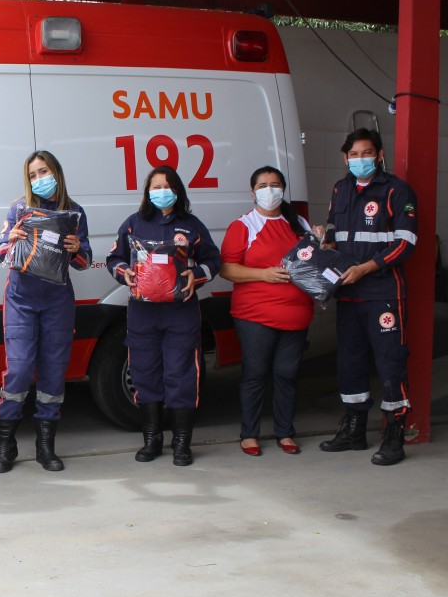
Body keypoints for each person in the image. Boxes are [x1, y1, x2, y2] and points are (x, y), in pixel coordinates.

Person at [105, 165, 220, 466]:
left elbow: (213, 259)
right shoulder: (133, 224)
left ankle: (182, 443)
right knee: (145, 375)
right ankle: (151, 439)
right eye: (155, 187)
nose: (161, 192)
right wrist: (124, 272)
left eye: (167, 186)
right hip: (143, 314)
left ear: (178, 191)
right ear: (147, 192)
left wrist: (197, 274)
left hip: (180, 313)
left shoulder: (191, 225)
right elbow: (114, 258)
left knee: (181, 376)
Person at [317, 128, 417, 466]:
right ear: (345, 157)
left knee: (390, 364)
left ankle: (394, 434)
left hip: (382, 293)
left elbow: (404, 243)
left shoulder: (396, 190)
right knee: (350, 363)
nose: (360, 159)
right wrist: (324, 242)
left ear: (379, 154)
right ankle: (355, 429)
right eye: (354, 154)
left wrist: (366, 268)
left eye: (366, 152)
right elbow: (335, 231)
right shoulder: (340, 188)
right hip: (348, 294)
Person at [0, 151, 91, 473]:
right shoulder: (19, 208)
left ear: (56, 173)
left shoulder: (74, 212)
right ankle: (6, 447)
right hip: (21, 299)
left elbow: (86, 261)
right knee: (18, 371)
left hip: (57, 302)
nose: (39, 179)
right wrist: (12, 239)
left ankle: (45, 447)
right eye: (33, 175)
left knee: (53, 373)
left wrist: (77, 250)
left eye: (43, 171)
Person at [220, 166, 313, 457]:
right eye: (263, 184)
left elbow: (315, 261)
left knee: (287, 374)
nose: (269, 189)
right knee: (256, 373)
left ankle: (285, 432)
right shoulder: (244, 225)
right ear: (253, 191)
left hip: (296, 314)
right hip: (255, 315)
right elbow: (227, 269)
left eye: (275, 184)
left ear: (283, 189)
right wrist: (264, 275)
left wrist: (323, 241)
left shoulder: (298, 223)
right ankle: (249, 434)